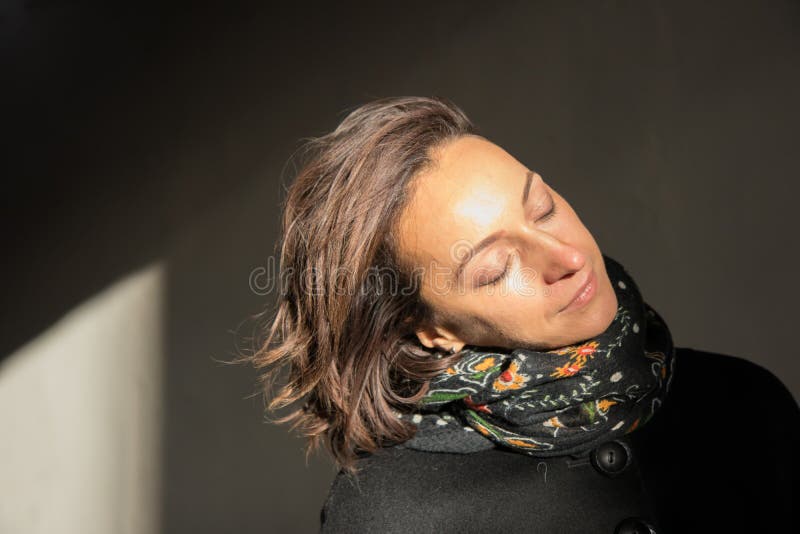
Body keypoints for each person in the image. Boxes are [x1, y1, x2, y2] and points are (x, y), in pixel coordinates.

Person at [245, 96, 799, 533]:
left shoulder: (744, 400)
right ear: (432, 331)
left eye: (544, 208)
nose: (568, 258)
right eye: (494, 269)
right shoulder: (391, 517)